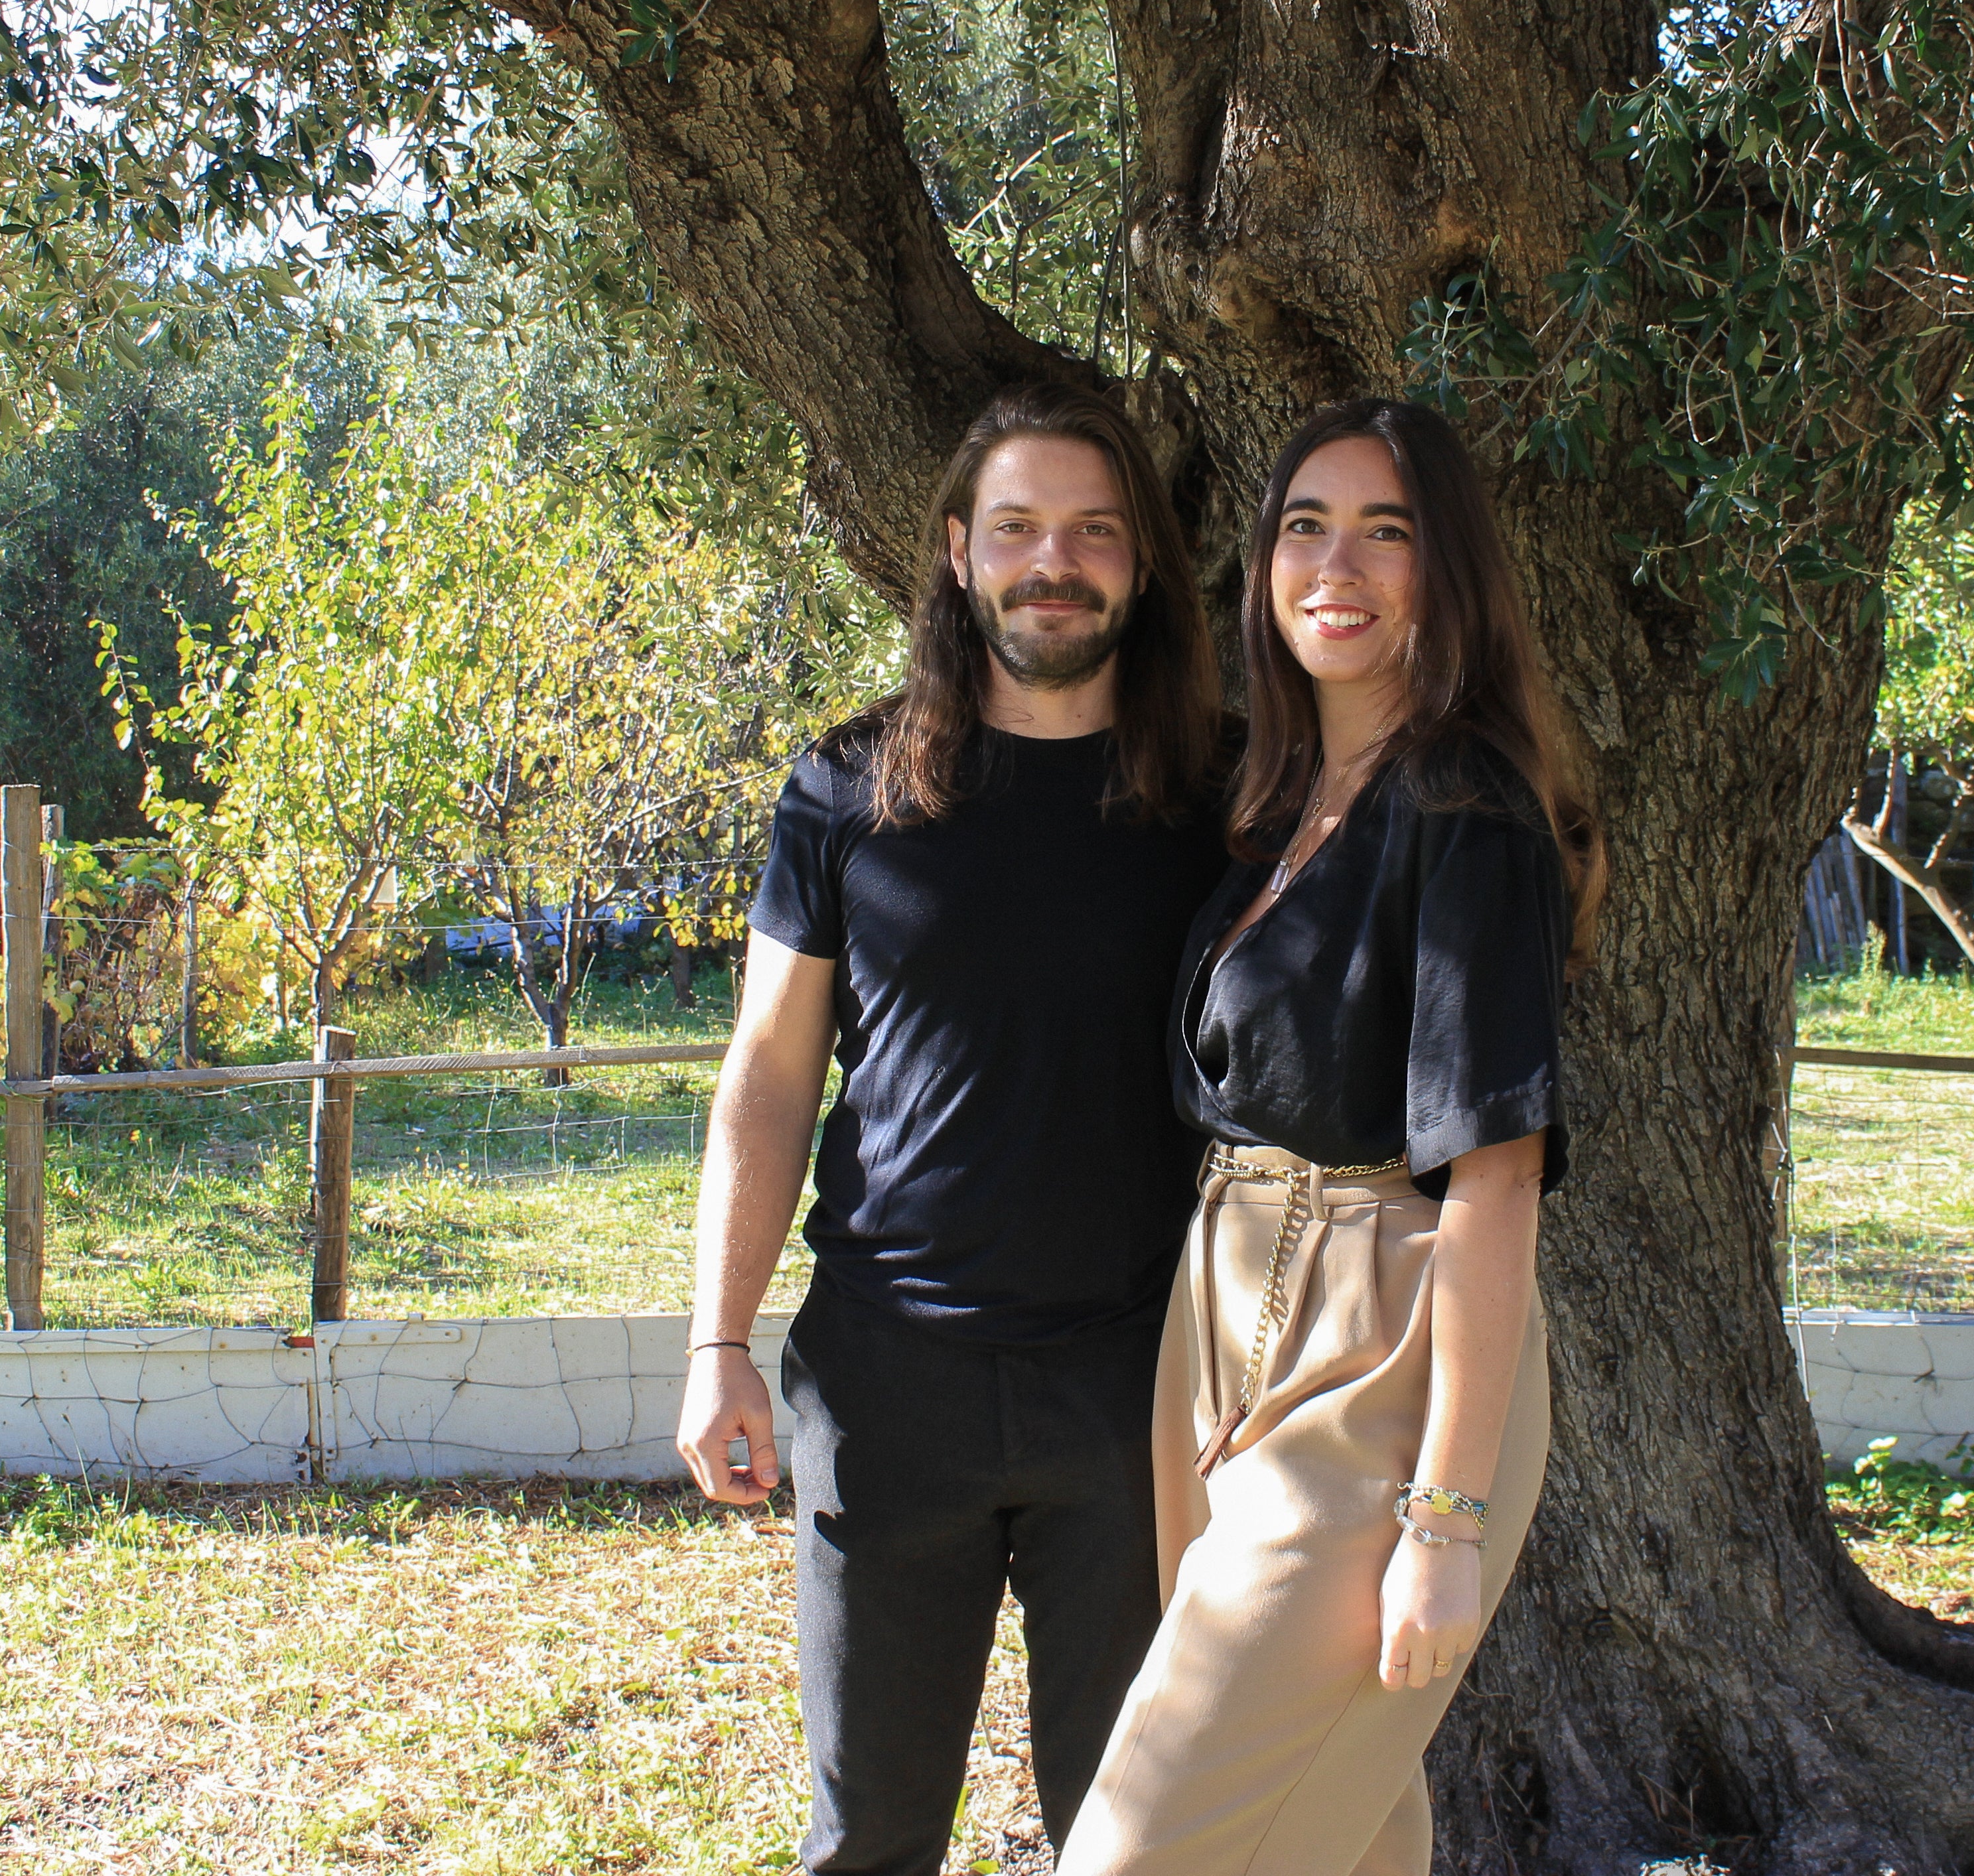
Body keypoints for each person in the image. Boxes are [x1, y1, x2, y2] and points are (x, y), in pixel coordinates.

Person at [675, 383, 1234, 1876]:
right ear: (957, 550)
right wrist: (717, 1341)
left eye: (1094, 531)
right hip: (885, 1390)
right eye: (1018, 526)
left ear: (1143, 563)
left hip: (1140, 1390)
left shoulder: (1226, 795)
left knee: (1133, 1842)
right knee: (869, 1839)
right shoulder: (844, 786)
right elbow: (770, 1070)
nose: (1055, 562)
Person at [1061, 397, 1602, 1876]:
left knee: (1144, 1846)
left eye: (1386, 532)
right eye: (1305, 526)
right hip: (1222, 1323)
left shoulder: (1468, 809)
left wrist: (1446, 1521)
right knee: (1340, 1826)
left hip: (1378, 1345)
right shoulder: (1282, 803)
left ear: (1450, 572)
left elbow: (1496, 1183)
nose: (1335, 566)